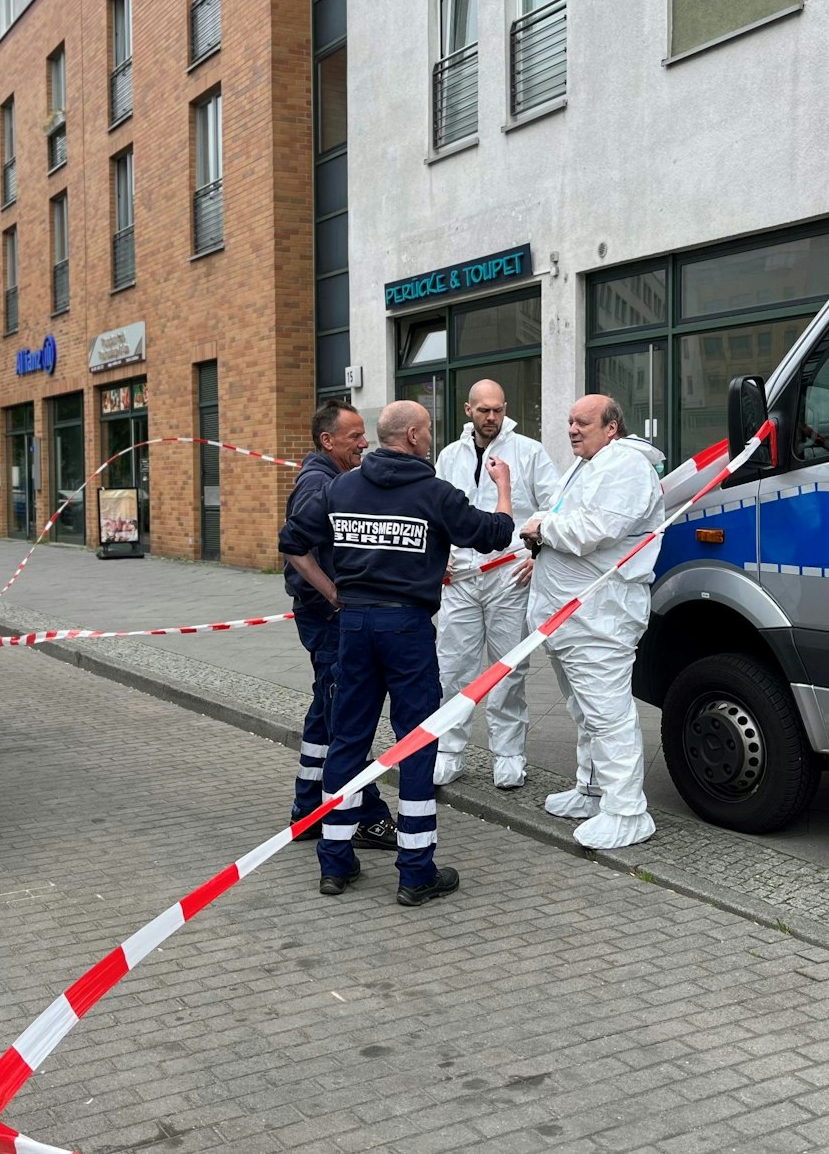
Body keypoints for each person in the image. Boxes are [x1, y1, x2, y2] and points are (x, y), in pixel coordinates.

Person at [280, 399, 515, 905]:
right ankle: (415, 872)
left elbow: (292, 542)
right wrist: (503, 487)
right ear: (411, 435)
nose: (430, 437)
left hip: (355, 626)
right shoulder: (433, 493)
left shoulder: (341, 488)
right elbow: (495, 534)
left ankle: (335, 865)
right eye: (427, 429)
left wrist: (333, 592)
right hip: (407, 631)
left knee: (347, 739)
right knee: (415, 743)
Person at [519, 394, 666, 850]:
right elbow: (566, 516)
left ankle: (627, 812)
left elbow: (592, 529)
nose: (572, 429)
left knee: (607, 713)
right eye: (569, 421)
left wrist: (542, 528)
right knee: (585, 711)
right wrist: (545, 524)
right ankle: (593, 789)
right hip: (574, 616)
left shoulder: (624, 466)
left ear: (612, 427)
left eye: (583, 422)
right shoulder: (590, 464)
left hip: (600, 616)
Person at [432, 380, 562, 790]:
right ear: (467, 409)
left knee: (509, 669)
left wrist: (534, 553)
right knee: (454, 669)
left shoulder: (529, 451)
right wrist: (437, 550)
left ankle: (508, 754)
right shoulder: (450, 456)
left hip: (508, 575)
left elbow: (555, 506)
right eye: (483, 410)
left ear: (506, 409)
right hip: (459, 578)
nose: (491, 418)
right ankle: (450, 751)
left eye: (497, 410)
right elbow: (433, 509)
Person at [282, 401, 397, 852]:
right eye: (355, 436)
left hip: (327, 617)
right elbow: (293, 547)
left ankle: (307, 808)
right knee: (345, 720)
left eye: (365, 434)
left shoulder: (333, 479)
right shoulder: (318, 483)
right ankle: (367, 816)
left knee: (324, 712)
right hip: (328, 619)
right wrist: (332, 595)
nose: (365, 443)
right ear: (328, 440)